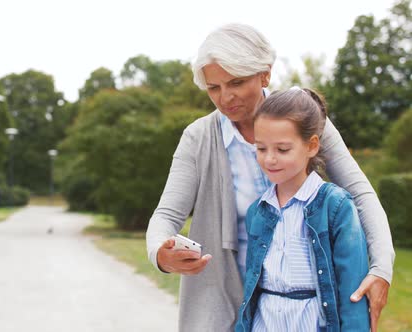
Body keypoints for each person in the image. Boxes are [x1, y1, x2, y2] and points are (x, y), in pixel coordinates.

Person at [145, 23, 394, 332]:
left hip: (304, 308)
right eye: (214, 87)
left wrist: (381, 269)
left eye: (236, 82)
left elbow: (360, 194)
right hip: (221, 300)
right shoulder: (198, 137)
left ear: (265, 74)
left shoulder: (306, 119)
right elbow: (167, 214)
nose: (225, 97)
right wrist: (160, 253)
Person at [235, 87, 369, 331]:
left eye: (282, 149)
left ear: (312, 146)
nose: (270, 159)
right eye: (261, 148)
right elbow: (251, 288)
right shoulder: (258, 211)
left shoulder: (336, 206)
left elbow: (353, 290)